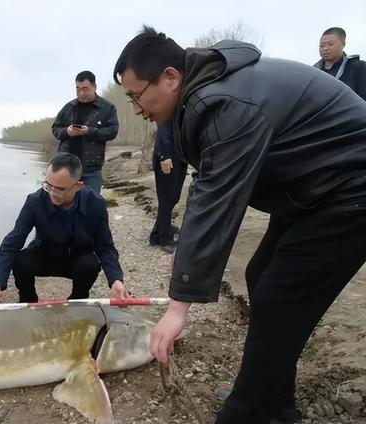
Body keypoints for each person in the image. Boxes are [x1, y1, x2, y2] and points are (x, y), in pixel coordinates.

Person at [113, 26, 366, 424]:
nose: (136, 108)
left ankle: (246, 411)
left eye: (136, 95)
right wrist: (186, 259)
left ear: (170, 77)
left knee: (280, 297)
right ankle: (273, 403)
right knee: (261, 274)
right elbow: (207, 183)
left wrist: (179, 307)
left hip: (350, 188)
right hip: (312, 187)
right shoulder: (202, 94)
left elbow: (218, 200)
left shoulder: (224, 102)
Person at [0, 153, 128, 305]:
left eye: (59, 189)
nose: (52, 193)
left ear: (78, 186)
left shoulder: (95, 204)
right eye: (48, 186)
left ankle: (77, 301)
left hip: (77, 258)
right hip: (45, 255)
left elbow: (105, 247)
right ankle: (28, 299)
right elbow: (12, 243)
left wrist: (116, 280)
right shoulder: (35, 201)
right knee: (20, 261)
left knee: (90, 265)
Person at [51, 71, 119, 195]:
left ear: (95, 87)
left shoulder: (107, 109)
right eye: (78, 89)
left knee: (90, 207)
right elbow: (56, 129)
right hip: (66, 168)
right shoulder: (69, 107)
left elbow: (112, 132)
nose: (81, 93)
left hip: (91, 170)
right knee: (63, 206)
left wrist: (89, 131)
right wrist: (67, 131)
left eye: (85, 89)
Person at [148, 122, 187, 253]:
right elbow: (163, 129)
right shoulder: (169, 108)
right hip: (168, 158)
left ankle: (156, 234)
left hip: (180, 157)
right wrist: (165, 156)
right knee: (167, 198)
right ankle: (164, 238)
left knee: (173, 197)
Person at [313, 27, 366, 101]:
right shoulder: (314, 72)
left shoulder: (359, 67)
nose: (325, 48)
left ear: (343, 44)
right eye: (322, 45)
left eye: (330, 44)